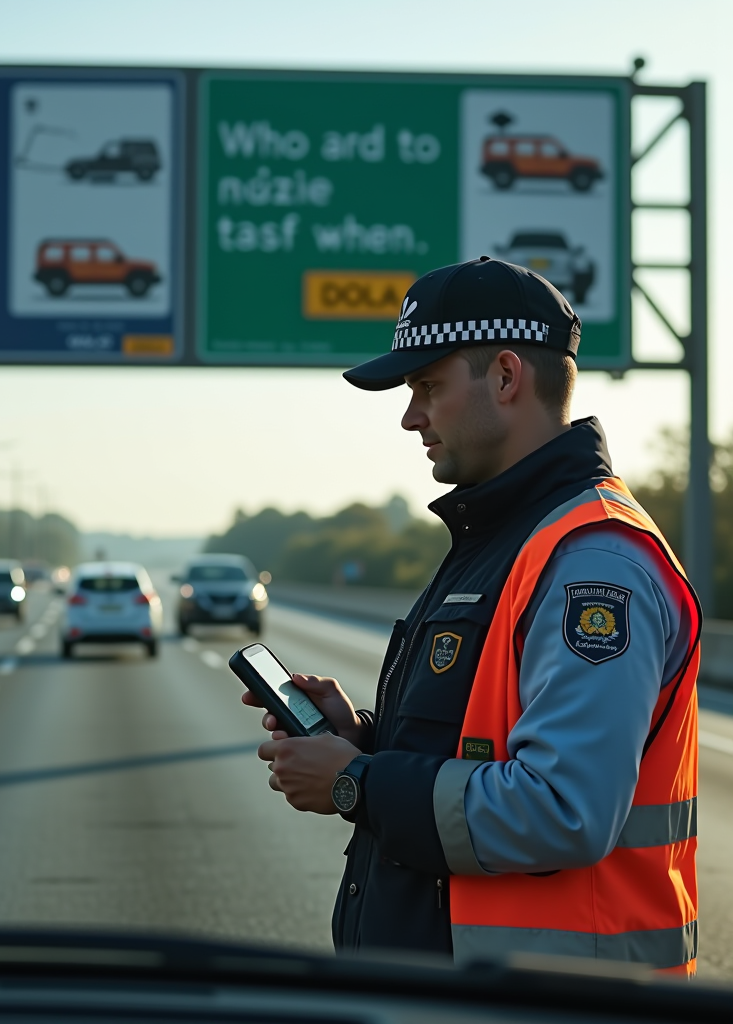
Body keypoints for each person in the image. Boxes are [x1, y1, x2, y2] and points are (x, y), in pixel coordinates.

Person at [243, 257, 701, 975]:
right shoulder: (507, 539)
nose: (409, 415)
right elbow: (480, 751)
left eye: (427, 385)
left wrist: (354, 783)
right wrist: (364, 740)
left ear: (507, 376)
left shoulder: (592, 563)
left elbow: (562, 809)